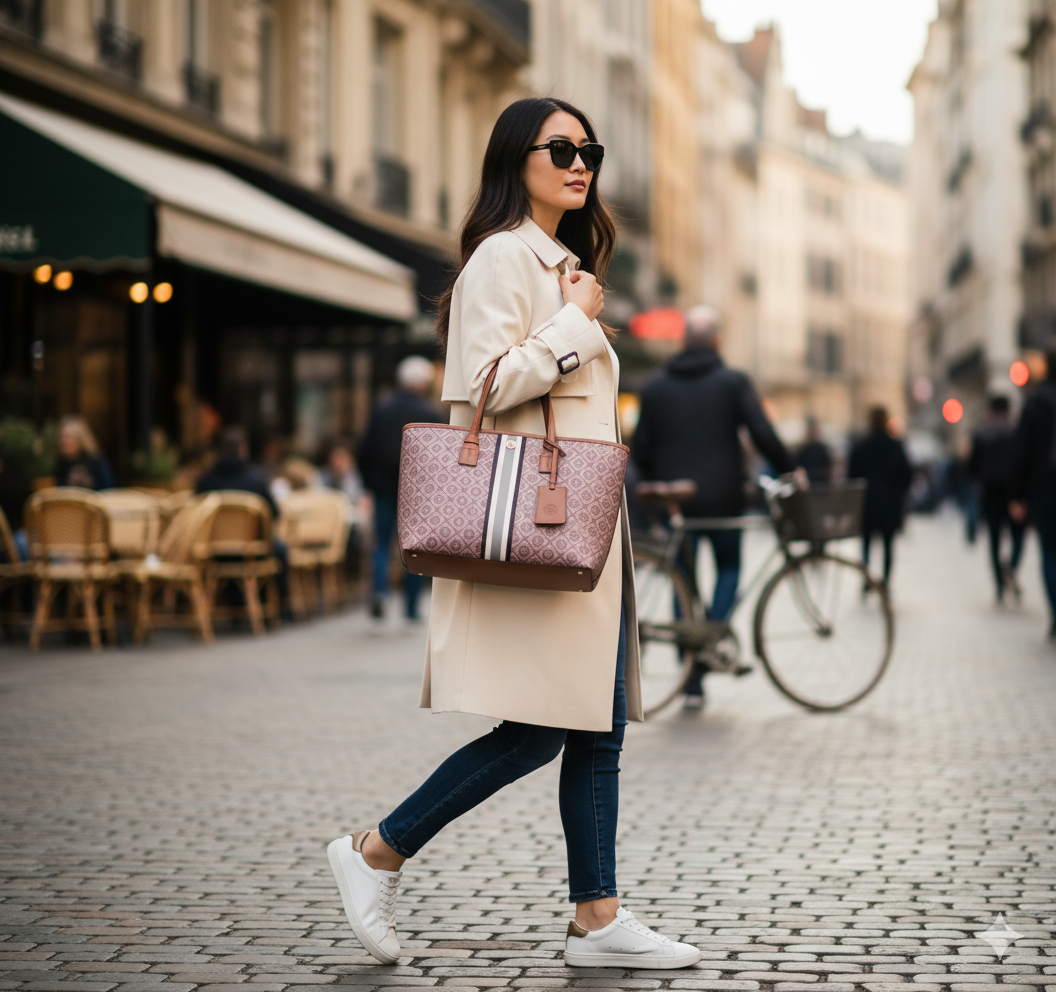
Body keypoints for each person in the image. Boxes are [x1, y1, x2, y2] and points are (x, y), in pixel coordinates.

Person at [326, 97, 701, 972]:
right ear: (516, 158)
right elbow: (483, 388)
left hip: (582, 527)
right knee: (539, 729)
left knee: (595, 727)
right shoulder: (505, 257)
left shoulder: (563, 261)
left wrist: (575, 312)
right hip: (541, 524)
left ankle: (597, 921)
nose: (582, 164)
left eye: (590, 150)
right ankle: (376, 850)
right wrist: (574, 325)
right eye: (561, 148)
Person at [632, 304, 794, 707]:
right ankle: (712, 636)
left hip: (678, 500)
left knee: (682, 580)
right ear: (718, 341)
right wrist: (791, 468)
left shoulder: (655, 386)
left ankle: (690, 676)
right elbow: (760, 431)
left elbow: (641, 449)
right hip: (724, 496)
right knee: (729, 567)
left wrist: (661, 482)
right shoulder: (733, 381)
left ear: (683, 339)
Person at [357, 355, 443, 622]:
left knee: (381, 543)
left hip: (383, 487)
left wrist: (368, 482)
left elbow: (364, 449)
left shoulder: (382, 409)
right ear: (422, 384)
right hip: (417, 492)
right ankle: (410, 608)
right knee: (413, 549)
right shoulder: (429, 414)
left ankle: (380, 593)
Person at [1010, 341, 1056, 638]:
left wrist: (1019, 496)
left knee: (1050, 554)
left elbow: (1021, 453)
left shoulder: (1036, 402)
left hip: (1045, 489)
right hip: (1043, 489)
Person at [969, 395, 1025, 603]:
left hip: (990, 491)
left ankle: (999, 585)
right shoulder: (1016, 431)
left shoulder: (982, 433)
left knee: (993, 540)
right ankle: (1010, 567)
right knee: (1017, 535)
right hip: (1013, 492)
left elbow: (972, 468)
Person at [848, 406, 912, 587]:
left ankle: (866, 580)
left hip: (867, 504)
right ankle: (885, 582)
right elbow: (907, 475)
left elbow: (851, 476)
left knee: (866, 545)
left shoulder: (861, 447)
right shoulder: (895, 446)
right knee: (888, 545)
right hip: (890, 504)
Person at [195, 426, 280, 519]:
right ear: (244, 450)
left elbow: (195, 514)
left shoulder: (204, 483)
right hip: (250, 533)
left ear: (219, 451)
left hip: (212, 533)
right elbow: (275, 513)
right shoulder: (257, 482)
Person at [54, 416, 114, 490]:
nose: (64, 441)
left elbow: (108, 489)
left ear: (81, 438)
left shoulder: (95, 462)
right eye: (61, 437)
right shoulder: (59, 464)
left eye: (68, 437)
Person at [796, 418, 833, 483]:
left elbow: (827, 465)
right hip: (809, 480)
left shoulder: (821, 449)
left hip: (821, 481)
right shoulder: (803, 450)